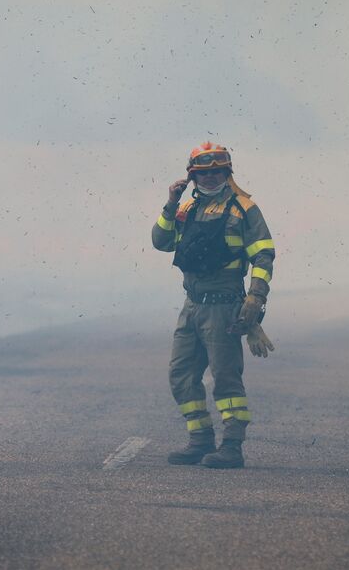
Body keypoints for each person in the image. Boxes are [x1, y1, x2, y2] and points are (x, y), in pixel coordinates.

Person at [151, 142, 276, 469]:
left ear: (227, 173)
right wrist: (170, 203)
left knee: (225, 379)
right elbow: (160, 242)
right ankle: (200, 441)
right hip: (191, 305)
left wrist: (255, 297)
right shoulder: (186, 210)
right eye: (202, 174)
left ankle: (232, 446)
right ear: (191, 177)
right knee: (181, 375)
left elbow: (263, 254)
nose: (210, 178)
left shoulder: (244, 208)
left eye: (217, 172)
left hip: (224, 306)